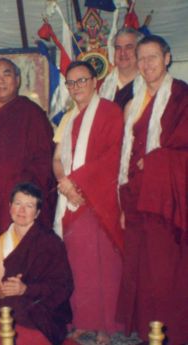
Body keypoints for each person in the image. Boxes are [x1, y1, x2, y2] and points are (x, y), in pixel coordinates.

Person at [0, 58, 56, 316]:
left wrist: (24, 190)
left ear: (17, 80)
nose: (1, 80)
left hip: (19, 199)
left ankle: (23, 306)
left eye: (6, 74)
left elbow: (43, 159)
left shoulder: (32, 113)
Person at [117, 35, 188, 343]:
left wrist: (155, 161)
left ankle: (172, 334)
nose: (145, 65)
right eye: (141, 58)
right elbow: (125, 153)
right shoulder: (133, 101)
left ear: (168, 58)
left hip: (166, 197)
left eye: (153, 58)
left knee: (166, 270)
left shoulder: (181, 97)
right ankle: (150, 333)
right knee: (142, 268)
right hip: (136, 195)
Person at [53, 61, 124, 343]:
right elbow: (57, 158)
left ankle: (105, 325)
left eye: (82, 80)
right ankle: (83, 320)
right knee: (78, 262)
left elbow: (111, 155)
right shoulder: (69, 117)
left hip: (98, 198)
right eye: (71, 83)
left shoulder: (110, 111)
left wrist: (76, 183)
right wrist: (64, 183)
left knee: (103, 263)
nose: (76, 87)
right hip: (72, 198)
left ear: (95, 82)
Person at [0, 182, 73, 345]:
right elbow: (0, 293)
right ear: (10, 207)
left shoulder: (51, 242)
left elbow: (64, 287)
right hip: (12, 305)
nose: (22, 211)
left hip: (44, 309)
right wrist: (12, 290)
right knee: (3, 319)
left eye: (29, 206)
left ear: (37, 213)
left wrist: (26, 290)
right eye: (18, 203)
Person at [99, 27, 143, 109]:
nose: (123, 53)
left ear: (139, 50)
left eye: (129, 47)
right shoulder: (100, 86)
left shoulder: (149, 84)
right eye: (118, 48)